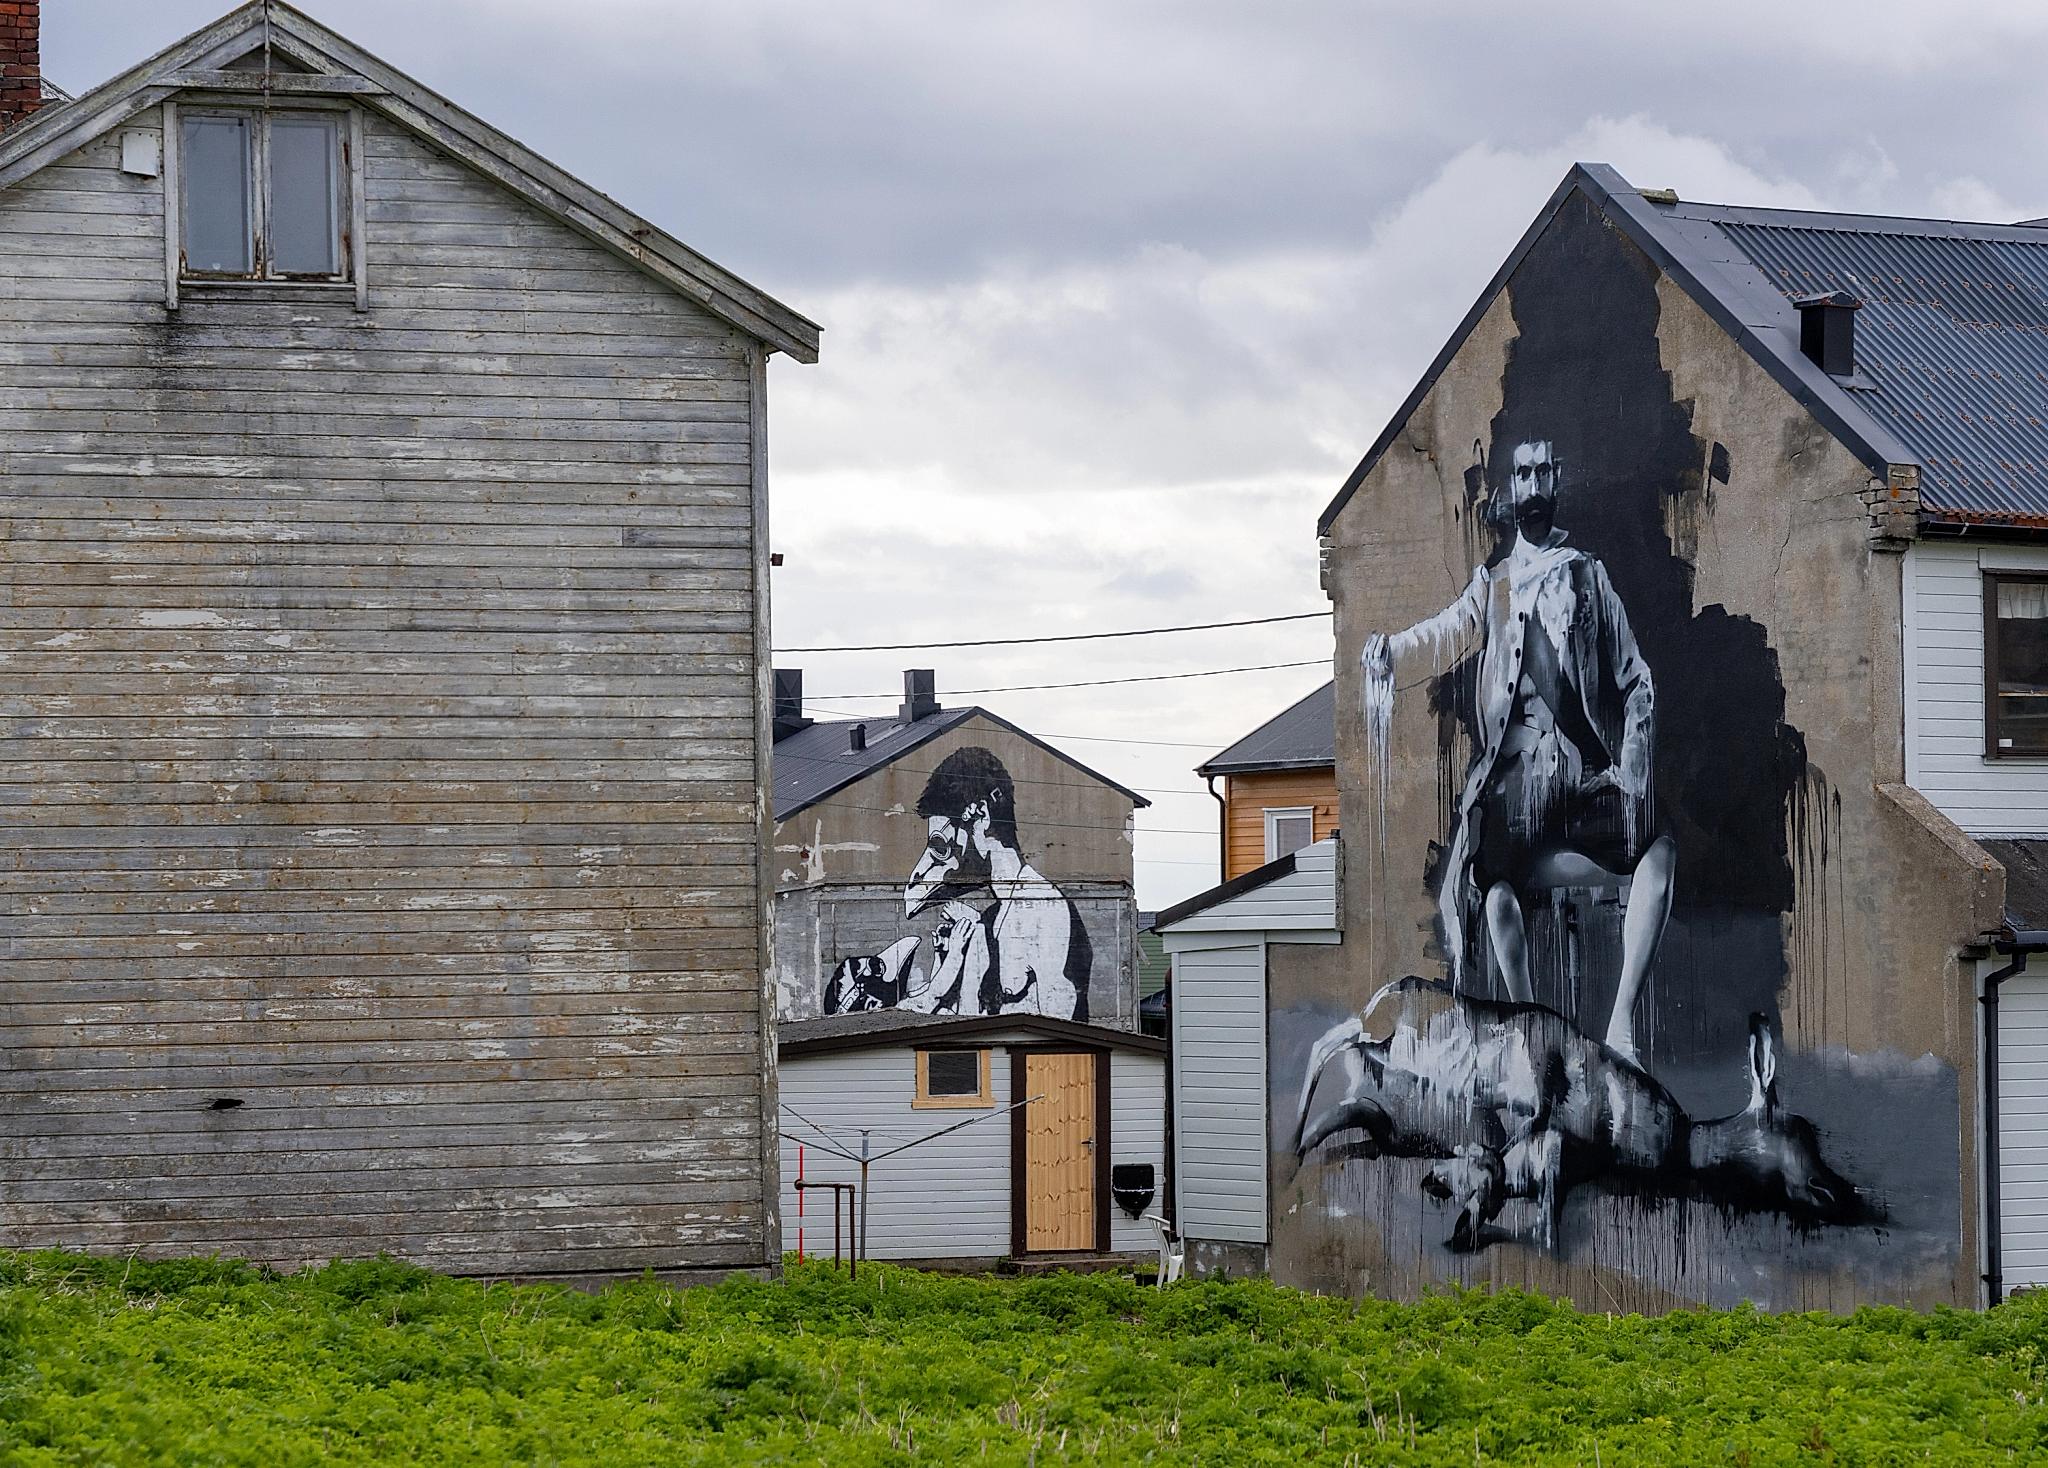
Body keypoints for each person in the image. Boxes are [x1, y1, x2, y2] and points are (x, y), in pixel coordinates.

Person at [1363, 439, 1675, 1064]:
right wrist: (1391, 653)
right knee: (1492, 884)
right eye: (1521, 473)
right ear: (1511, 489)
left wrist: (1634, 766)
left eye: (1542, 472)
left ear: (1556, 480)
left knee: (1659, 848)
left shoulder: (1587, 576)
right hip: (1513, 786)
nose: (1532, 484)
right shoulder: (1495, 588)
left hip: (1581, 779)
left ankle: (1620, 1029)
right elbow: (1446, 633)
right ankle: (1534, 1030)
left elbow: (1638, 680)